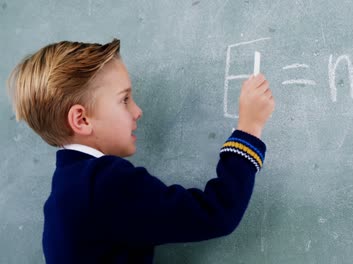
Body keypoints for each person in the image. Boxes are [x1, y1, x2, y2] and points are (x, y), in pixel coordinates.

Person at [6, 38, 275, 263]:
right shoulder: (102, 183)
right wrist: (249, 128)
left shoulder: (66, 189)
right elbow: (215, 215)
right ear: (82, 119)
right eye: (124, 100)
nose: (137, 111)